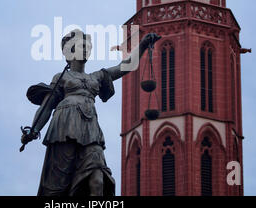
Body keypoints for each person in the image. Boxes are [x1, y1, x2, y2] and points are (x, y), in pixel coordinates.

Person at [22, 29, 161, 196]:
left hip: (90, 130)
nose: (86, 49)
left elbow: (126, 66)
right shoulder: (62, 77)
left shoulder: (97, 77)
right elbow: (46, 106)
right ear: (70, 50)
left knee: (98, 179)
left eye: (88, 46)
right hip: (64, 128)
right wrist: (34, 129)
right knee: (58, 184)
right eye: (82, 45)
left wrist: (144, 44)